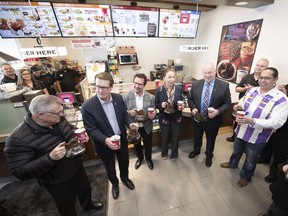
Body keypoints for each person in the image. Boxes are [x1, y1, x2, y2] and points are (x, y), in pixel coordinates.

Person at [4, 95, 103, 216]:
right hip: (57, 180)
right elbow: (20, 171)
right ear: (41, 114)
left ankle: (88, 205)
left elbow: (70, 130)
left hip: (76, 166)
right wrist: (50, 158)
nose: (62, 115)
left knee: (85, 189)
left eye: (61, 111)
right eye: (58, 112)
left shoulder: (58, 119)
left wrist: (77, 135)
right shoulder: (17, 139)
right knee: (67, 206)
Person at [220, 67, 288, 187]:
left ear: (275, 79)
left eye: (267, 78)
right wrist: (238, 106)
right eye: (261, 77)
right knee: (236, 150)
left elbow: (277, 122)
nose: (263, 80)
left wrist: (252, 121)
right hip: (241, 129)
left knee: (251, 160)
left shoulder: (281, 99)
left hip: (257, 136)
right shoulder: (253, 90)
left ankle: (246, 176)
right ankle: (233, 163)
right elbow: (243, 101)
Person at [81, 72, 137, 200]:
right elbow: (91, 129)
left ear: (111, 87)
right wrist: (105, 140)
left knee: (124, 162)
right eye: (97, 86)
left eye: (104, 87)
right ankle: (115, 184)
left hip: (121, 139)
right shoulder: (87, 106)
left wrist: (131, 124)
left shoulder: (118, 98)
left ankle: (125, 179)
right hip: (104, 144)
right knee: (109, 167)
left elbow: (125, 115)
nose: (100, 90)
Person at [188, 63, 231, 167]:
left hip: (213, 120)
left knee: (211, 139)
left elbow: (227, 104)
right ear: (202, 73)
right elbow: (190, 99)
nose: (208, 75)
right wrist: (193, 108)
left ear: (215, 72)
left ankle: (208, 156)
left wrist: (217, 112)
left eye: (210, 72)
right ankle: (196, 150)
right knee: (197, 136)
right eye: (205, 73)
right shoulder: (196, 84)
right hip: (198, 118)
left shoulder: (224, 86)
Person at [226, 58, 269, 142]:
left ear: (266, 68)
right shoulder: (247, 77)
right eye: (257, 65)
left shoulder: (266, 81)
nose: (259, 67)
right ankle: (235, 137)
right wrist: (246, 89)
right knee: (238, 122)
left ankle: (247, 142)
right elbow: (237, 89)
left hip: (258, 109)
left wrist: (254, 89)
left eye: (262, 66)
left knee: (252, 125)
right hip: (243, 106)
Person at [123, 73, 155, 170]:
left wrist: (153, 115)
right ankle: (140, 159)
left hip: (146, 126)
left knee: (148, 144)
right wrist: (130, 113)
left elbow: (154, 110)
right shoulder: (126, 97)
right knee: (136, 145)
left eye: (140, 84)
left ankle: (148, 159)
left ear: (145, 85)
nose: (137, 86)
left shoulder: (151, 97)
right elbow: (123, 113)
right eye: (135, 83)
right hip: (134, 127)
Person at [155, 68, 184, 162]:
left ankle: (174, 154)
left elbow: (183, 101)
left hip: (176, 116)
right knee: (165, 136)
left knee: (175, 136)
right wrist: (161, 105)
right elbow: (156, 104)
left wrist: (182, 105)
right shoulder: (159, 90)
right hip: (164, 117)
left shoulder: (179, 89)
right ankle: (164, 153)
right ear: (164, 78)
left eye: (173, 77)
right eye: (169, 77)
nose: (172, 79)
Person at [264, 84, 288, 183]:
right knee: (272, 149)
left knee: (278, 155)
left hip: (282, 133)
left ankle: (273, 175)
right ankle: (265, 160)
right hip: (277, 131)